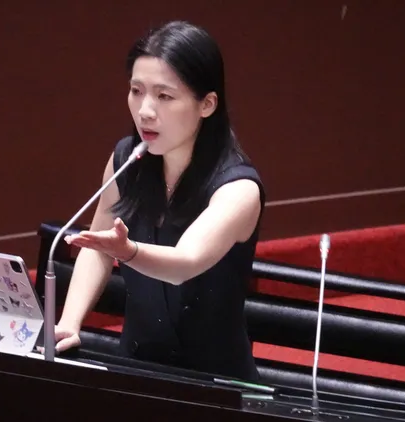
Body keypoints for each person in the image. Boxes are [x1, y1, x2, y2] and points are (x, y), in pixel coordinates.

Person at [54, 20, 266, 382]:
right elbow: (97, 248)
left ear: (207, 104)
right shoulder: (126, 161)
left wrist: (128, 252)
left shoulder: (238, 188)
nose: (145, 111)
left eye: (164, 96)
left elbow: (185, 263)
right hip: (135, 370)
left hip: (216, 385)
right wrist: (69, 322)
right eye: (136, 91)